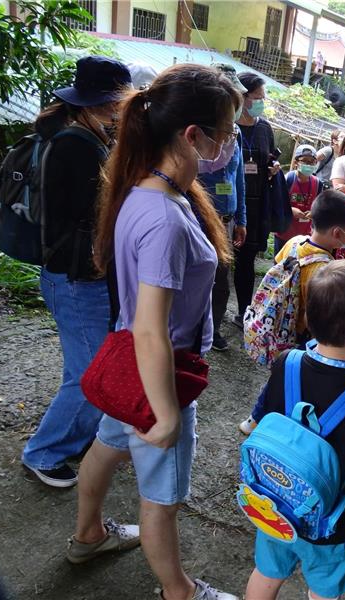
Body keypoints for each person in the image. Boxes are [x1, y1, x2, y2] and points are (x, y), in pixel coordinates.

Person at [74, 64, 240, 600]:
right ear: (194, 136)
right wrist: (167, 414)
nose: (232, 142)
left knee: (104, 448)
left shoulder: (143, 191)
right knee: (161, 502)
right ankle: (180, 592)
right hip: (157, 372)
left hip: (127, 366)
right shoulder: (166, 216)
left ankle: (88, 534)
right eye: (229, 131)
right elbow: (151, 328)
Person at [243, 260, 345, 600]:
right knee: (323, 588)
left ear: (309, 317)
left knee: (266, 572)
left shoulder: (286, 362)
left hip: (276, 500)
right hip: (332, 519)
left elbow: (266, 415)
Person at [21, 56, 132, 488]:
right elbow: (103, 210)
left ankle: (73, 438)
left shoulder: (81, 136)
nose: (120, 110)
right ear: (95, 104)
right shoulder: (78, 146)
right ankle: (44, 452)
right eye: (115, 103)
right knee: (91, 375)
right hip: (75, 280)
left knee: (85, 369)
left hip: (73, 275)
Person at [238, 190, 345, 435]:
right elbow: (312, 316)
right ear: (337, 233)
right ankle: (263, 421)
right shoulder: (323, 269)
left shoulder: (295, 242)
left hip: (275, 325)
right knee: (288, 380)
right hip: (297, 335)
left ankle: (255, 419)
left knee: (281, 376)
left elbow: (277, 268)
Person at [198, 68, 247, 353]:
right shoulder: (198, 131)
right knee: (198, 276)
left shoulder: (236, 134)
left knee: (221, 281)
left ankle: (212, 330)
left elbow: (237, 177)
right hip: (201, 215)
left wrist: (241, 217)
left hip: (226, 220)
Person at [233, 72, 281, 328]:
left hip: (256, 203)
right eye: (257, 97)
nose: (261, 102)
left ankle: (243, 312)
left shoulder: (264, 128)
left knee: (247, 260)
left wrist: (273, 167)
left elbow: (270, 158)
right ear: (242, 96)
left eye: (263, 98)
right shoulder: (229, 127)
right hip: (231, 203)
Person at [274, 144, 321, 256]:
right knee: (280, 265)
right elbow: (276, 203)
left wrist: (313, 212)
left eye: (312, 161)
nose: (308, 164)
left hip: (305, 236)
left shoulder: (318, 183)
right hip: (284, 233)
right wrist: (290, 210)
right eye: (304, 161)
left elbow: (319, 206)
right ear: (296, 162)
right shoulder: (288, 179)